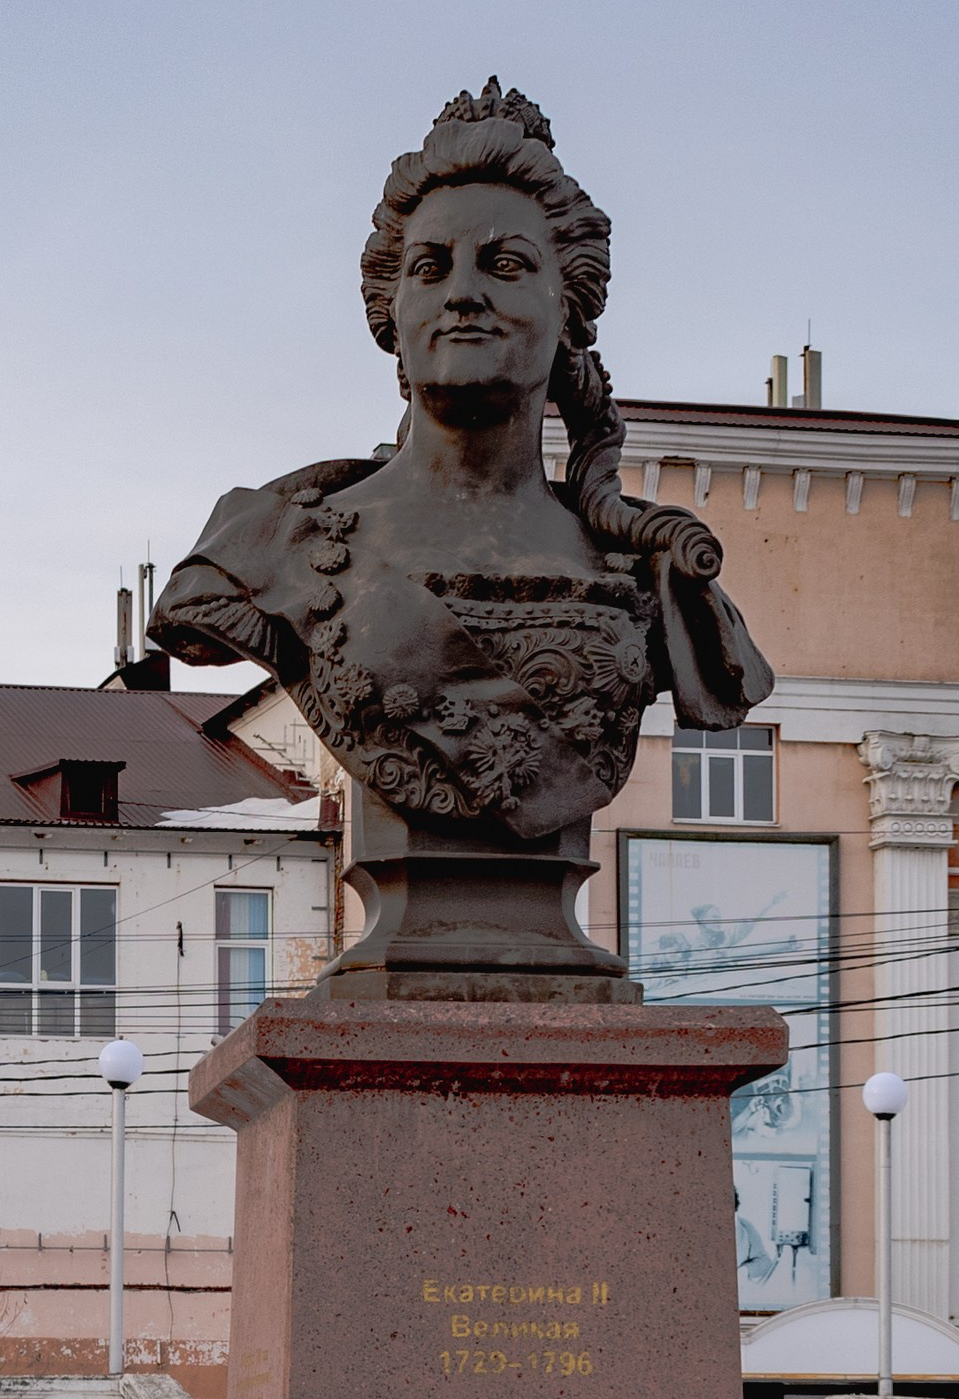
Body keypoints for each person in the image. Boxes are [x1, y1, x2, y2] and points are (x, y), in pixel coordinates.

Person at [149, 73, 772, 844]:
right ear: (392, 314)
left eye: (504, 264)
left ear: (568, 310)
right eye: (431, 267)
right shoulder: (269, 547)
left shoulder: (654, 570)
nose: (463, 294)